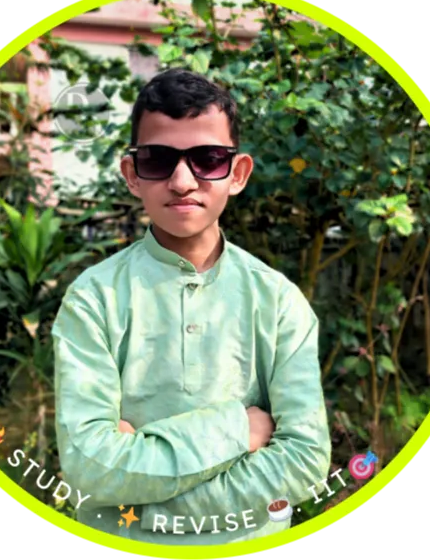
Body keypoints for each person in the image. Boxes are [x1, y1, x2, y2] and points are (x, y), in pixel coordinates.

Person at [52, 68, 331, 545]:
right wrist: (237, 430)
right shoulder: (94, 299)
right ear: (132, 174)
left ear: (237, 173)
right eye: (158, 160)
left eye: (207, 159)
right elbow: (90, 468)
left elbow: (304, 462)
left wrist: (144, 498)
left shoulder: (279, 300)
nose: (182, 181)